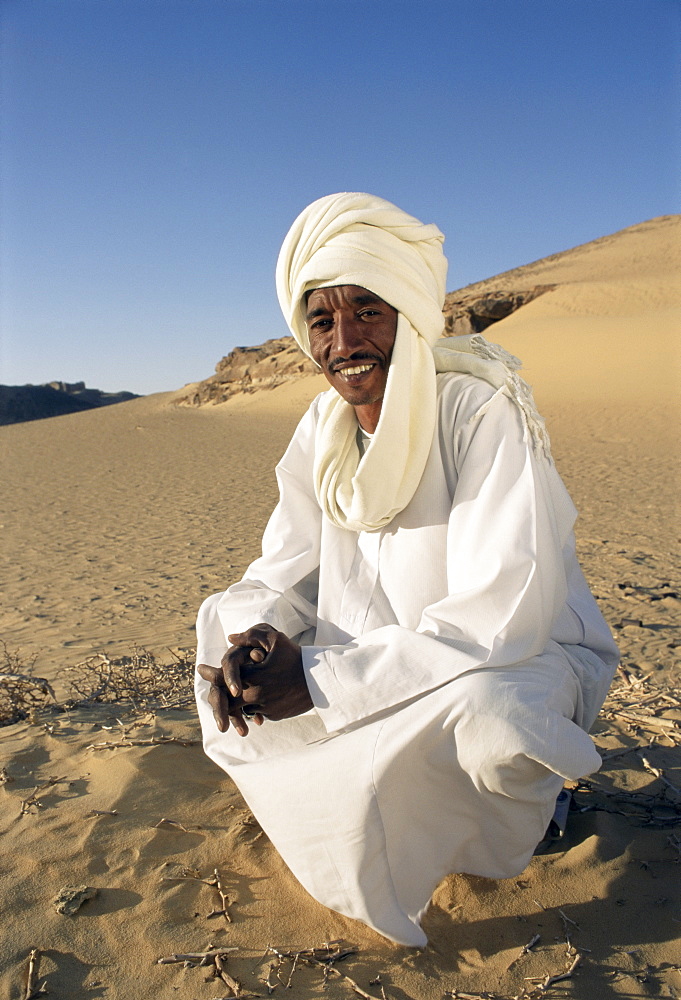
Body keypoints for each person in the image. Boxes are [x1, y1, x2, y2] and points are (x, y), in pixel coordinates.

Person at [195, 192, 618, 947]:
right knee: (213, 636)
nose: (346, 339)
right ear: (305, 337)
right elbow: (282, 567)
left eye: (368, 310)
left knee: (492, 722)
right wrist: (260, 639)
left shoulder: (477, 409)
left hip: (517, 658)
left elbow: (501, 610)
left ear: (408, 314)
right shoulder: (321, 430)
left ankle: (525, 808)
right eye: (322, 320)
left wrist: (321, 680)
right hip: (369, 655)